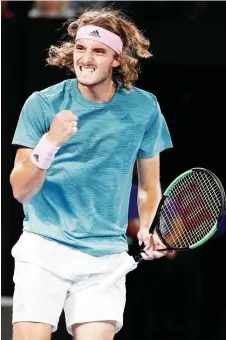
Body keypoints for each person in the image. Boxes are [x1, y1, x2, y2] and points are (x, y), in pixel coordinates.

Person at [10, 6, 173, 340]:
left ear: (117, 59)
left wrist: (147, 227)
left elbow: (148, 186)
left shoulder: (144, 108)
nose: (86, 58)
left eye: (99, 51)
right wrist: (49, 144)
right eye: (81, 48)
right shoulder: (43, 104)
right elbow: (20, 191)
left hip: (105, 257)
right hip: (44, 247)